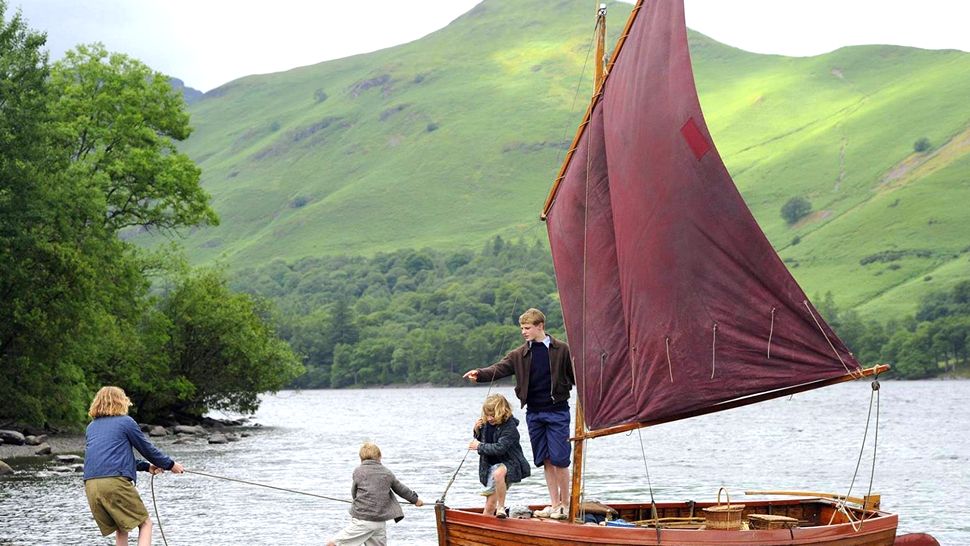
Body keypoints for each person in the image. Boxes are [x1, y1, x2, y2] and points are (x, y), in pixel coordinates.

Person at [463, 308, 575, 520]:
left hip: (557, 411)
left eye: (527, 328)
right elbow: (499, 368)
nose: (523, 332)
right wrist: (480, 374)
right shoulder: (519, 354)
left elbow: (576, 375)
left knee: (560, 459)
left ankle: (565, 505)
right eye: (522, 328)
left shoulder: (562, 350)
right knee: (546, 459)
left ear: (540, 326)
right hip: (534, 413)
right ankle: (554, 504)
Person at [83, 386, 185, 546]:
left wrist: (145, 467)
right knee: (145, 524)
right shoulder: (126, 422)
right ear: (120, 402)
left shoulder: (91, 427)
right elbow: (146, 448)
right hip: (114, 482)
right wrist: (171, 465)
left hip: (91, 485)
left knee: (121, 527)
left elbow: (106, 458)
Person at [328, 442, 424, 546]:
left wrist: (357, 501)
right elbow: (401, 489)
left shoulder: (358, 471)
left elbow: (354, 492)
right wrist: (416, 500)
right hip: (380, 521)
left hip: (363, 520)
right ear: (380, 456)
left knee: (333, 544)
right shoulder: (387, 473)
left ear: (361, 458)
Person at [468, 393, 531, 518]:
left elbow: (500, 448)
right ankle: (486, 529)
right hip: (490, 467)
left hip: (510, 463)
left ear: (503, 412)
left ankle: (501, 507)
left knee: (496, 484)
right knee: (489, 504)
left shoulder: (510, 427)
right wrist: (476, 430)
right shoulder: (486, 424)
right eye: (487, 415)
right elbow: (483, 440)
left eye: (493, 415)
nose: (490, 418)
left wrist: (479, 446)